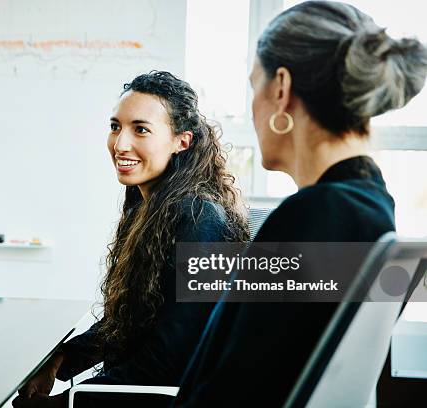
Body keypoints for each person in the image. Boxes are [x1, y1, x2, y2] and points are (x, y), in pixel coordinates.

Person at [173, 1, 427, 406]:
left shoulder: (314, 218)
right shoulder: (369, 204)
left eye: (253, 85)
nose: (253, 108)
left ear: (281, 89)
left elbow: (231, 392)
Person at [13, 71, 249, 407]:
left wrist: (65, 402)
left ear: (182, 141)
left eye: (141, 129)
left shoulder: (200, 219)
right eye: (115, 126)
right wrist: (61, 360)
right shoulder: (146, 206)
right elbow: (131, 322)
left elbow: (171, 356)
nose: (120, 144)